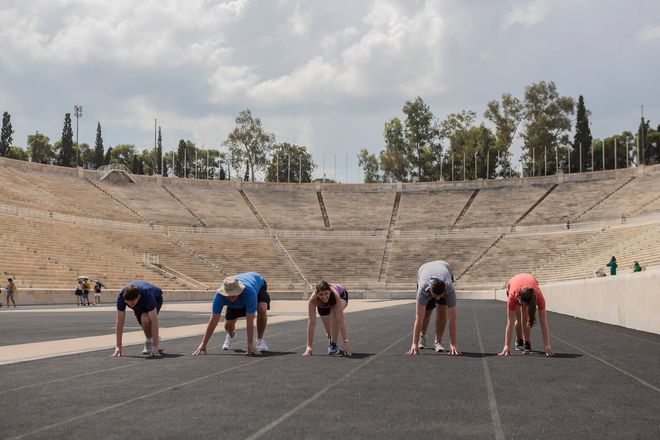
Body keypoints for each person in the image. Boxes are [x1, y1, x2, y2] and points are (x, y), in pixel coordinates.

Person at [192, 273, 270, 356]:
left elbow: (250, 320)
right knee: (228, 325)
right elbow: (213, 320)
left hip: (258, 285)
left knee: (262, 308)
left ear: (239, 290)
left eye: (233, 294)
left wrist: (250, 344)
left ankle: (260, 339)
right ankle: (231, 335)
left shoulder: (250, 292)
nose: (230, 297)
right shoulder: (219, 296)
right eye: (228, 295)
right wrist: (203, 344)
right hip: (239, 299)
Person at [405, 260, 460, 356]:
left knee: (442, 309)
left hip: (445, 268)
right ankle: (422, 336)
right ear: (430, 289)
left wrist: (453, 344)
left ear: (445, 290)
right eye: (435, 296)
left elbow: (452, 318)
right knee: (426, 311)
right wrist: (414, 344)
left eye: (441, 296)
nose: (438, 298)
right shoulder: (423, 289)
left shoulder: (449, 289)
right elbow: (418, 317)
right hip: (424, 270)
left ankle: (438, 341)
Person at [498, 273, 554, 357]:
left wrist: (547, 345)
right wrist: (506, 346)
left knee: (526, 318)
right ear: (518, 298)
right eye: (522, 304)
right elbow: (510, 322)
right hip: (513, 284)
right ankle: (519, 339)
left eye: (526, 305)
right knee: (519, 319)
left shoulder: (539, 297)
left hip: (529, 285)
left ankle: (527, 342)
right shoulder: (512, 296)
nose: (523, 307)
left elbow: (543, 322)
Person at [112, 280, 164, 357]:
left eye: (132, 303)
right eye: (127, 302)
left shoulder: (147, 294)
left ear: (138, 297)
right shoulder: (121, 297)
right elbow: (119, 322)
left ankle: (149, 340)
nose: (130, 304)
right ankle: (152, 337)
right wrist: (118, 346)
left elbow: (154, 321)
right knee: (144, 322)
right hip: (140, 302)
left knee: (145, 319)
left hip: (156, 298)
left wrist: (155, 346)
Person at [303, 281, 351, 356]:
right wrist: (309, 346)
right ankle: (331, 339)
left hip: (341, 295)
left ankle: (333, 345)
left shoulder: (335, 295)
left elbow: (340, 321)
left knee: (334, 314)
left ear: (329, 291)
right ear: (317, 293)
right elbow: (311, 323)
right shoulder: (312, 300)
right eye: (321, 294)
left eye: (326, 293)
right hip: (322, 305)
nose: (324, 297)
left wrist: (345, 342)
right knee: (330, 333)